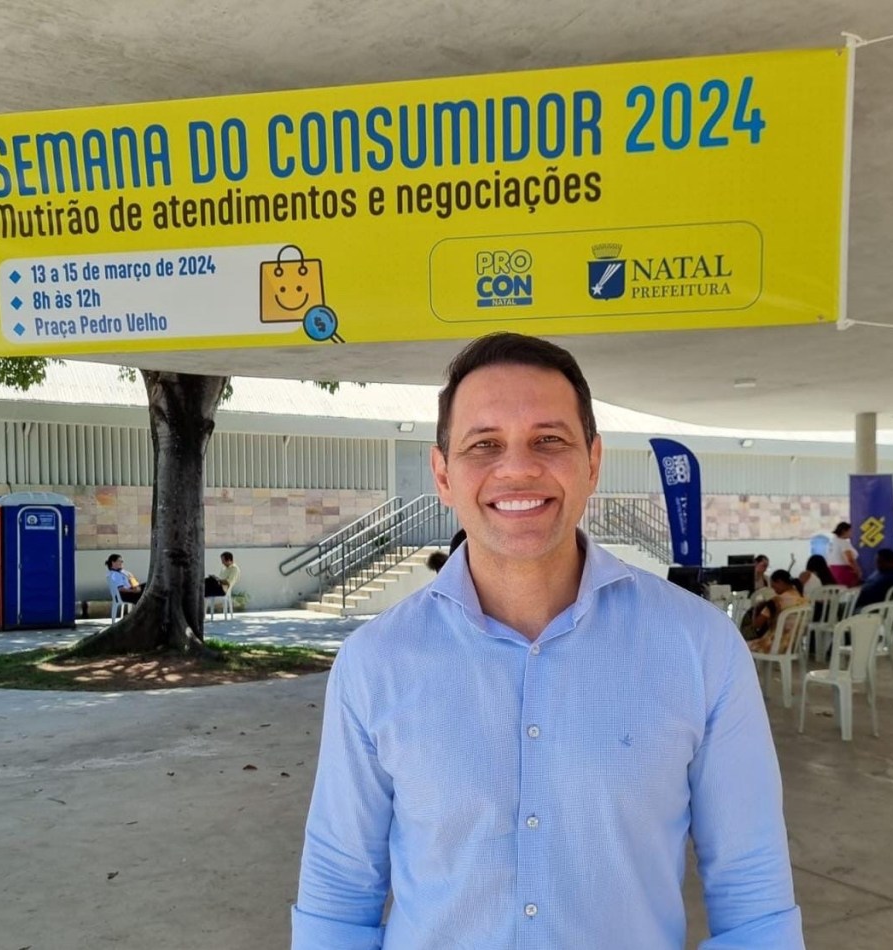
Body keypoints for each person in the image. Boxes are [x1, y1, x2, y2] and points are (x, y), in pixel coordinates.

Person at [293, 332, 803, 948]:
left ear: (593, 462)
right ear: (443, 474)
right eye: (484, 444)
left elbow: (751, 890)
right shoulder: (374, 663)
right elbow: (339, 886)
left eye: (549, 440)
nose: (517, 469)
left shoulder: (701, 648)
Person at [745, 570, 810, 653]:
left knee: (742, 646)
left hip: (774, 645)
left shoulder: (777, 601)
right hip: (795, 646)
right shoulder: (805, 601)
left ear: (780, 582)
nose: (774, 590)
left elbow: (756, 625)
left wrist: (756, 608)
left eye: (774, 586)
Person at [826, 522, 861, 587]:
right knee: (850, 590)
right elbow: (850, 559)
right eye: (850, 531)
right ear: (844, 531)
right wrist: (857, 570)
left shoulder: (832, 542)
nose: (851, 533)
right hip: (844, 571)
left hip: (833, 571)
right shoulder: (843, 542)